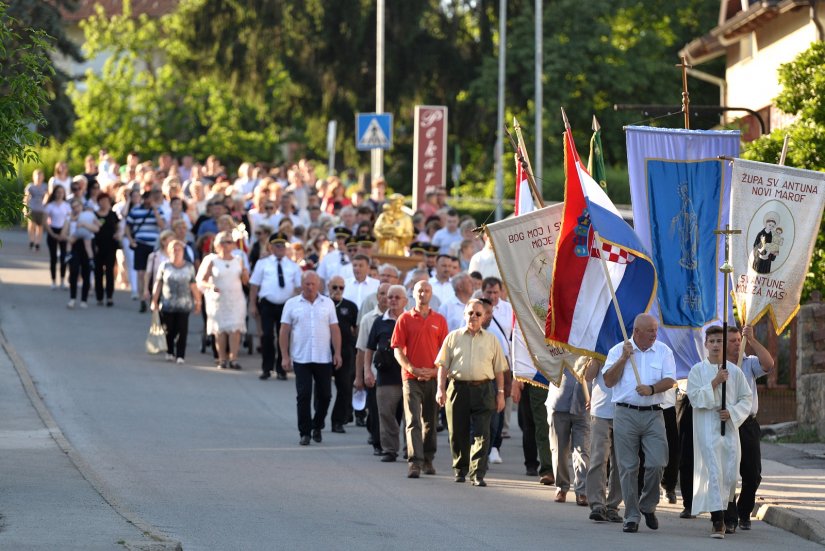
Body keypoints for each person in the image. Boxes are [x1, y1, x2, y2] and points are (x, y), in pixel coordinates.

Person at [602, 313, 676, 534]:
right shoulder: (617, 350)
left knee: (657, 462)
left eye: (656, 330)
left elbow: (671, 380)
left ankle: (648, 504)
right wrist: (624, 359)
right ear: (636, 332)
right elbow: (608, 380)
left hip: (654, 414)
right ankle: (632, 515)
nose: (655, 334)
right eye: (651, 330)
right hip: (625, 414)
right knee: (628, 467)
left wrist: (651, 389)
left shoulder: (663, 350)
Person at [687, 326, 753, 539]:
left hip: (729, 429)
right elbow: (695, 397)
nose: (715, 345)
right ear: (705, 344)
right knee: (714, 471)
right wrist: (715, 383)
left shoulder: (735, 371)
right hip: (707, 427)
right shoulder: (697, 370)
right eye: (712, 341)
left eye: (719, 341)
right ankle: (718, 521)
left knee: (730, 473)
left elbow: (746, 398)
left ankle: (728, 514)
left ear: (724, 345)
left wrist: (732, 413)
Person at [435, 299, 508, 486]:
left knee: (483, 432)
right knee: (457, 431)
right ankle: (460, 469)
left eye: (478, 314)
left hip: (483, 389)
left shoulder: (492, 340)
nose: (473, 317)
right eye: (470, 313)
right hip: (458, 389)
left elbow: (499, 369)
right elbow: (443, 366)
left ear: (484, 317)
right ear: (464, 314)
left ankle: (478, 473)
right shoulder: (453, 337)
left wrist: (500, 393)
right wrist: (440, 389)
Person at [391, 280, 448, 479]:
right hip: (411, 378)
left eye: (426, 290)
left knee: (431, 421)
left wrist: (434, 372)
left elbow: (445, 352)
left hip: (432, 377)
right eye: (419, 291)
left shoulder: (439, 320)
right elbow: (397, 350)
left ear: (431, 294)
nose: (423, 294)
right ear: (413, 294)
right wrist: (411, 368)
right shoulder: (404, 319)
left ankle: (428, 459)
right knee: (413, 419)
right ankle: (414, 462)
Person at [279, 271, 342, 446]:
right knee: (304, 395)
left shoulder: (328, 304)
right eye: (307, 284)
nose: (310, 287)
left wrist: (337, 352)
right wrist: (285, 356)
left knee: (326, 395)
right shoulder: (292, 304)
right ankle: (305, 432)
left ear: (319, 285)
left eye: (313, 284)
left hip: (323, 357)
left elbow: (335, 330)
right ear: (302, 284)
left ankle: (317, 425)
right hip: (302, 357)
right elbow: (284, 331)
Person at [727, 325, 774, 530]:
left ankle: (744, 511)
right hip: (726, 423)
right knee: (726, 472)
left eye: (739, 339)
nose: (737, 343)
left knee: (752, 473)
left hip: (747, 424)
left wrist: (752, 340)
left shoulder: (749, 363)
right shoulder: (716, 365)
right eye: (732, 340)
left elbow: (768, 364)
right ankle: (727, 515)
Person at [248, 232, 301, 380]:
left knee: (283, 336)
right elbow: (254, 285)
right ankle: (266, 368)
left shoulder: (292, 266)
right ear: (271, 247)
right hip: (267, 304)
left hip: (286, 305)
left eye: (282, 245)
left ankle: (281, 368)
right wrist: (252, 304)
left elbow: (298, 288)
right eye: (277, 245)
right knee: (267, 336)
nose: (280, 248)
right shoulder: (262, 263)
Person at [366, 285, 407, 462]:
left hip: (409, 376)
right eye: (390, 297)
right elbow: (369, 348)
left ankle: (411, 450)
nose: (393, 300)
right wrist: (367, 370)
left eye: (397, 297)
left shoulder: (411, 319)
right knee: (386, 414)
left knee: (411, 417)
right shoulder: (379, 322)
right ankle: (390, 449)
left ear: (405, 301)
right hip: (386, 377)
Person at [197, 230, 249, 370]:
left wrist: (244, 273)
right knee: (220, 330)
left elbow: (245, 281)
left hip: (235, 298)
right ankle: (221, 359)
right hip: (218, 299)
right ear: (217, 244)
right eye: (223, 242)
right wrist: (211, 286)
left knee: (235, 329)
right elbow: (201, 280)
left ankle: (234, 358)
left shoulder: (238, 260)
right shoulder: (212, 260)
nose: (226, 245)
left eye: (229, 242)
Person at [584, 357, 623, 523]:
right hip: (601, 410)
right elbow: (587, 376)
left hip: (624, 410)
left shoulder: (630, 346)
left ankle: (613, 505)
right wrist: (596, 358)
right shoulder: (600, 344)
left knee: (621, 462)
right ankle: (597, 504)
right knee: (599, 458)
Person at [546, 362, 590, 505]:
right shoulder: (558, 344)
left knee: (582, 450)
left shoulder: (591, 345)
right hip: (559, 402)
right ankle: (561, 487)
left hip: (584, 404)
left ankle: (582, 491)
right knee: (559, 449)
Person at [151, 240, 201, 364]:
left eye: (179, 250)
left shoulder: (189, 267)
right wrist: (154, 300)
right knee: (169, 329)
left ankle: (180, 355)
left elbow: (193, 284)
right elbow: (158, 283)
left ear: (183, 252)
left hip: (184, 304)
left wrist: (198, 301)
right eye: (174, 249)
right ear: (169, 251)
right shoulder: (165, 266)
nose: (176, 252)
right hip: (168, 303)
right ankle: (170, 351)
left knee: (182, 329)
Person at [355, 283, 391, 455]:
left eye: (389, 294)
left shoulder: (403, 318)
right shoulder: (368, 319)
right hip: (374, 373)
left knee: (392, 411)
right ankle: (379, 443)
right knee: (376, 410)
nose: (386, 297)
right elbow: (362, 350)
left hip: (396, 374)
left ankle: (389, 440)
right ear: (377, 297)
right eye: (382, 294)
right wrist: (360, 376)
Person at [125, 191, 166, 312]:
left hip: (154, 245)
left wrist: (155, 210)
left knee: (154, 273)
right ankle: (142, 297)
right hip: (140, 243)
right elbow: (128, 226)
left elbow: (162, 225)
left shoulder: (159, 210)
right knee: (141, 273)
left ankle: (154, 298)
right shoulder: (136, 210)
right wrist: (131, 240)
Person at [327, 275, 358, 433]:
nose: (338, 291)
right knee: (323, 390)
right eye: (334, 287)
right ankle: (318, 420)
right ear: (328, 286)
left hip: (345, 352)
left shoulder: (350, 306)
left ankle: (338, 421)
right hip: (324, 352)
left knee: (345, 387)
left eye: (341, 288)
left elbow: (355, 328)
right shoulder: (323, 304)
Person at [64, 198, 100, 309]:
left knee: (86, 273)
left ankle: (84, 299)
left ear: (81, 206)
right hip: (75, 246)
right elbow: (64, 233)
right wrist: (68, 238)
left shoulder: (87, 216)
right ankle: (72, 298)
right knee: (74, 272)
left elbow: (97, 228)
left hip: (87, 243)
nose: (76, 209)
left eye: (77, 206)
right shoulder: (70, 219)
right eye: (73, 207)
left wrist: (85, 225)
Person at [93, 193, 121, 307]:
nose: (104, 203)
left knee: (109, 271)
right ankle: (99, 296)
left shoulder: (112, 215)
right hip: (97, 246)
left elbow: (119, 227)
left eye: (106, 200)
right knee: (98, 271)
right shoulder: (94, 215)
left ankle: (109, 296)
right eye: (102, 200)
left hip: (110, 246)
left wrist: (118, 234)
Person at [44, 186, 72, 289]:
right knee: (53, 258)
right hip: (53, 230)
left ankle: (62, 280)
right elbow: (45, 221)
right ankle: (53, 280)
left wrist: (63, 233)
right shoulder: (50, 206)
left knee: (64, 257)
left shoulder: (66, 206)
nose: (60, 194)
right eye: (58, 192)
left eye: (62, 192)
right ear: (54, 193)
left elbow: (68, 220)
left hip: (63, 231)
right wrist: (53, 234)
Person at [24, 169, 48, 251]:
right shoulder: (30, 186)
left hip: (41, 209)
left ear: (43, 177)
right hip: (32, 208)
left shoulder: (45, 186)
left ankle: (37, 243)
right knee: (31, 225)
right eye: (37, 176)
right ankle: (32, 240)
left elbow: (47, 195)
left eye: (40, 176)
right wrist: (25, 208)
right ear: (33, 177)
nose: (38, 177)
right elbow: (26, 197)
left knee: (40, 227)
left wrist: (45, 202)